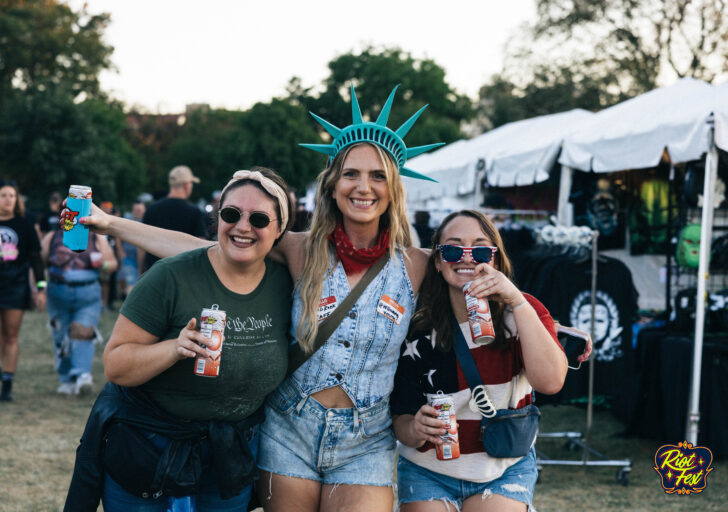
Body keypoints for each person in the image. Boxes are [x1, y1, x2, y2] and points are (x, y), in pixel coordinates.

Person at [70, 84, 444, 511]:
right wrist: (109, 224)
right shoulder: (301, 249)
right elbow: (202, 250)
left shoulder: (416, 265)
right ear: (333, 184)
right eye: (351, 173)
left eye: (378, 175)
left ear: (394, 187)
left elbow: (480, 286)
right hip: (291, 427)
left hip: (367, 437)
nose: (364, 186)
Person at [64, 167, 295, 511]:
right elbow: (115, 365)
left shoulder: (287, 283)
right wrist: (172, 349)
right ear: (217, 218)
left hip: (227, 460)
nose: (243, 227)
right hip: (147, 453)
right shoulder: (171, 276)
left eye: (259, 219)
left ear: (279, 231)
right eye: (231, 214)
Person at [390, 210, 569, 511]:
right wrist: (416, 428)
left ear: (495, 260)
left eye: (481, 250)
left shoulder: (523, 312)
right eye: (452, 249)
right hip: (428, 470)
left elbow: (551, 382)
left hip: (503, 468)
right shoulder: (417, 327)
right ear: (437, 260)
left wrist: (517, 301)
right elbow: (401, 421)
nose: (467, 258)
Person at [0, 181, 46, 402]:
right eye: (3, 195)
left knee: (10, 336)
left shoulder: (24, 224)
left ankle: (7, 384)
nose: (8, 199)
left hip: (15, 285)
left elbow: (35, 258)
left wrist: (40, 288)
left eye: (12, 196)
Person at [41, 227, 117, 395]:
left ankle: (82, 375)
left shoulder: (96, 237)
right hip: (57, 292)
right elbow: (40, 261)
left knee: (84, 331)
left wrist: (102, 263)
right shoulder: (53, 235)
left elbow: (112, 264)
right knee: (60, 335)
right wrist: (39, 288)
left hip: (87, 292)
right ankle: (66, 379)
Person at [140, 165, 207, 272]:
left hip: (153, 274)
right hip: (183, 275)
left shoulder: (151, 209)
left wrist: (141, 274)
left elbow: (141, 246)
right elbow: (200, 247)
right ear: (186, 185)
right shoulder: (195, 212)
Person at [118, 200, 145, 298]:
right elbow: (118, 236)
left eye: (140, 210)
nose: (138, 212)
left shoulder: (147, 221)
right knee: (130, 281)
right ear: (133, 210)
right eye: (136, 210)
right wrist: (121, 252)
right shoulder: (127, 220)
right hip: (129, 257)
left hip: (143, 259)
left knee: (138, 281)